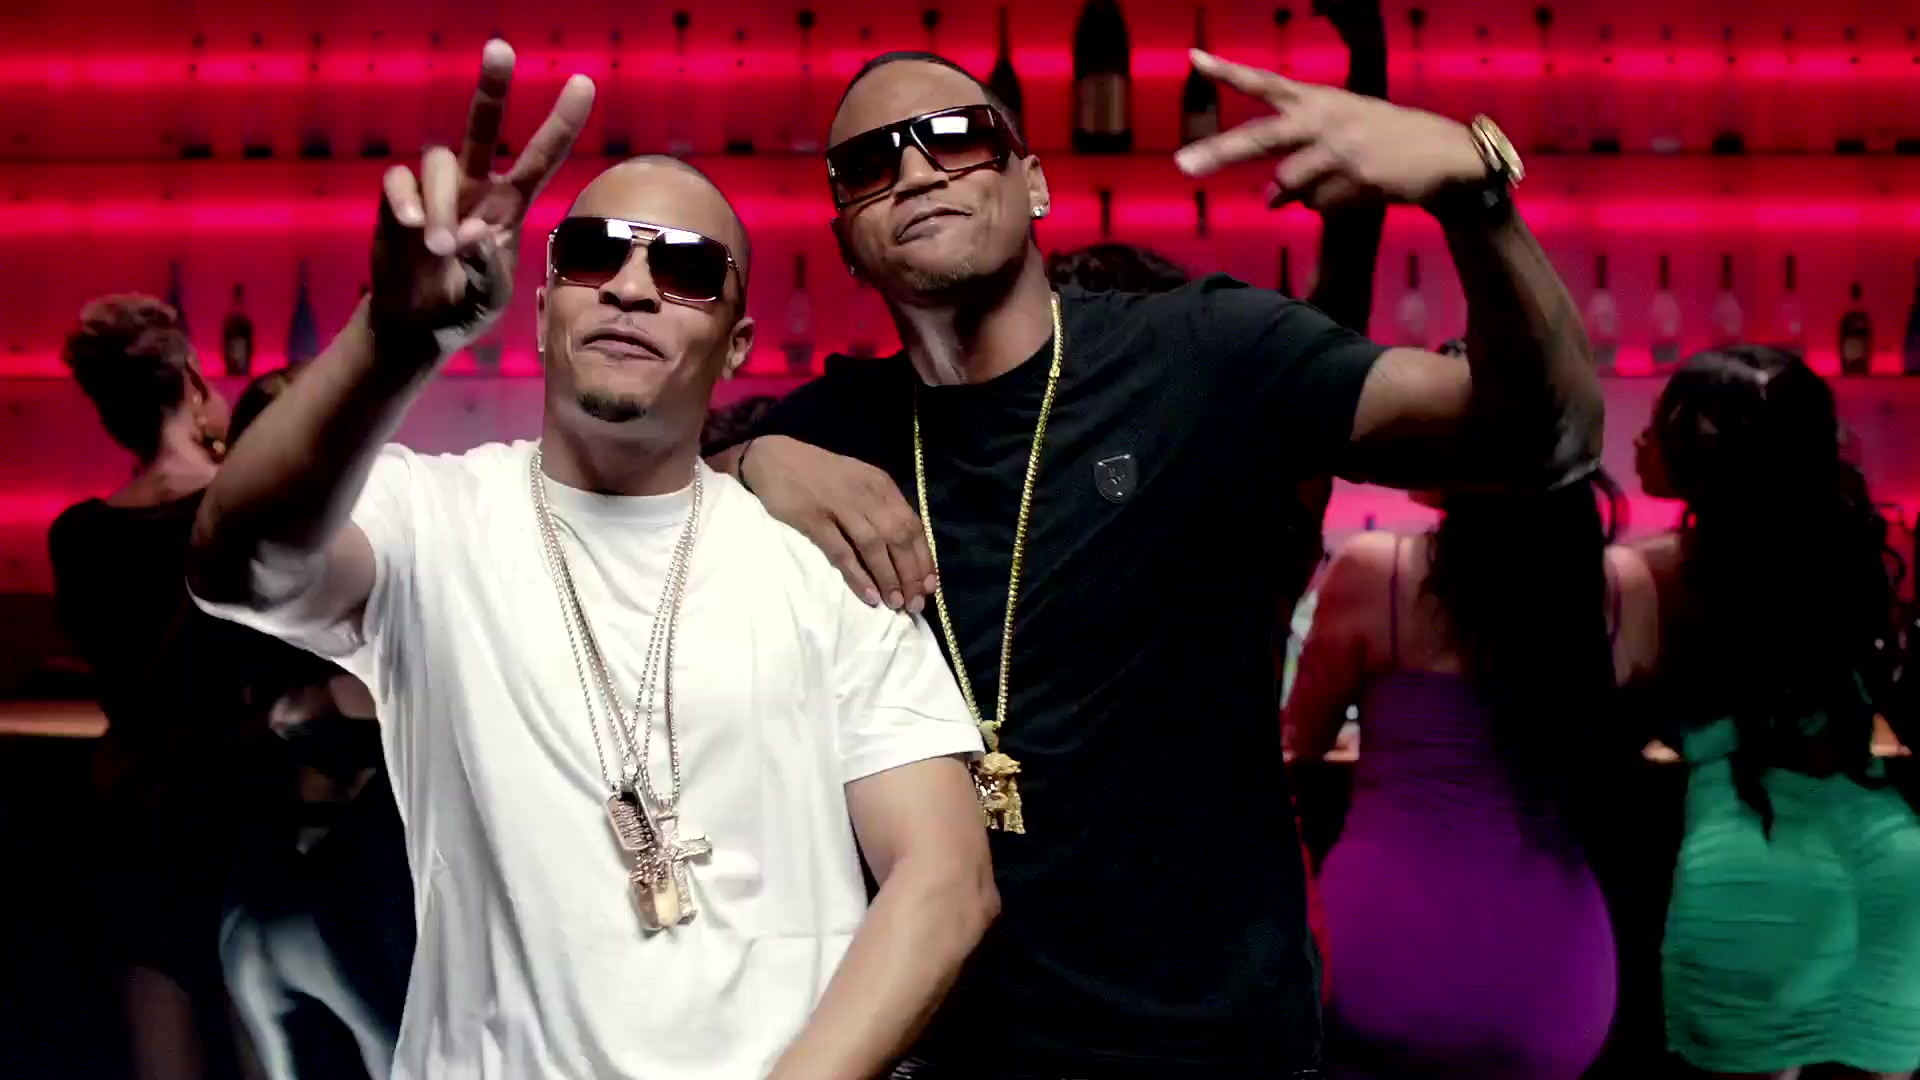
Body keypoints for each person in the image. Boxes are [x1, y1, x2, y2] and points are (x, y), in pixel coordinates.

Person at [712, 38, 1603, 1080]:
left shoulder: (1203, 355)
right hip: (947, 1048)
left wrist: (1475, 201)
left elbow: (1547, 440)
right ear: (846, 241)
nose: (914, 170)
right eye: (870, 163)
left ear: (1033, 182)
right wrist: (747, 463)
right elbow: (616, 505)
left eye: (954, 139)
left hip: (1212, 1045)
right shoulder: (833, 432)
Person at [188, 42, 995, 1080]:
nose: (632, 286)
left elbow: (945, 881)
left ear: (739, 342)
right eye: (592, 255)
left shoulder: (817, 559)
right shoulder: (429, 518)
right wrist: (393, 340)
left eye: (686, 269)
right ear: (541, 308)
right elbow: (238, 566)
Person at [1284, 472, 1657, 1079]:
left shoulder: (1377, 572)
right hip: (1557, 976)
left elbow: (1303, 736)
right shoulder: (1621, 586)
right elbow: (1622, 743)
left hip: (1384, 949)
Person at [1634, 346, 1920, 1080]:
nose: (1639, 437)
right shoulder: (1848, 555)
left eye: (1661, 421)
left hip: (1748, 855)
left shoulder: (1652, 574)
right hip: (1890, 859)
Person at [47, 292, 257, 1080]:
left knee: (158, 1047)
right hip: (245, 807)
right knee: (264, 1038)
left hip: (139, 809)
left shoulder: (77, 536)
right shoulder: (247, 509)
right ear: (194, 382)